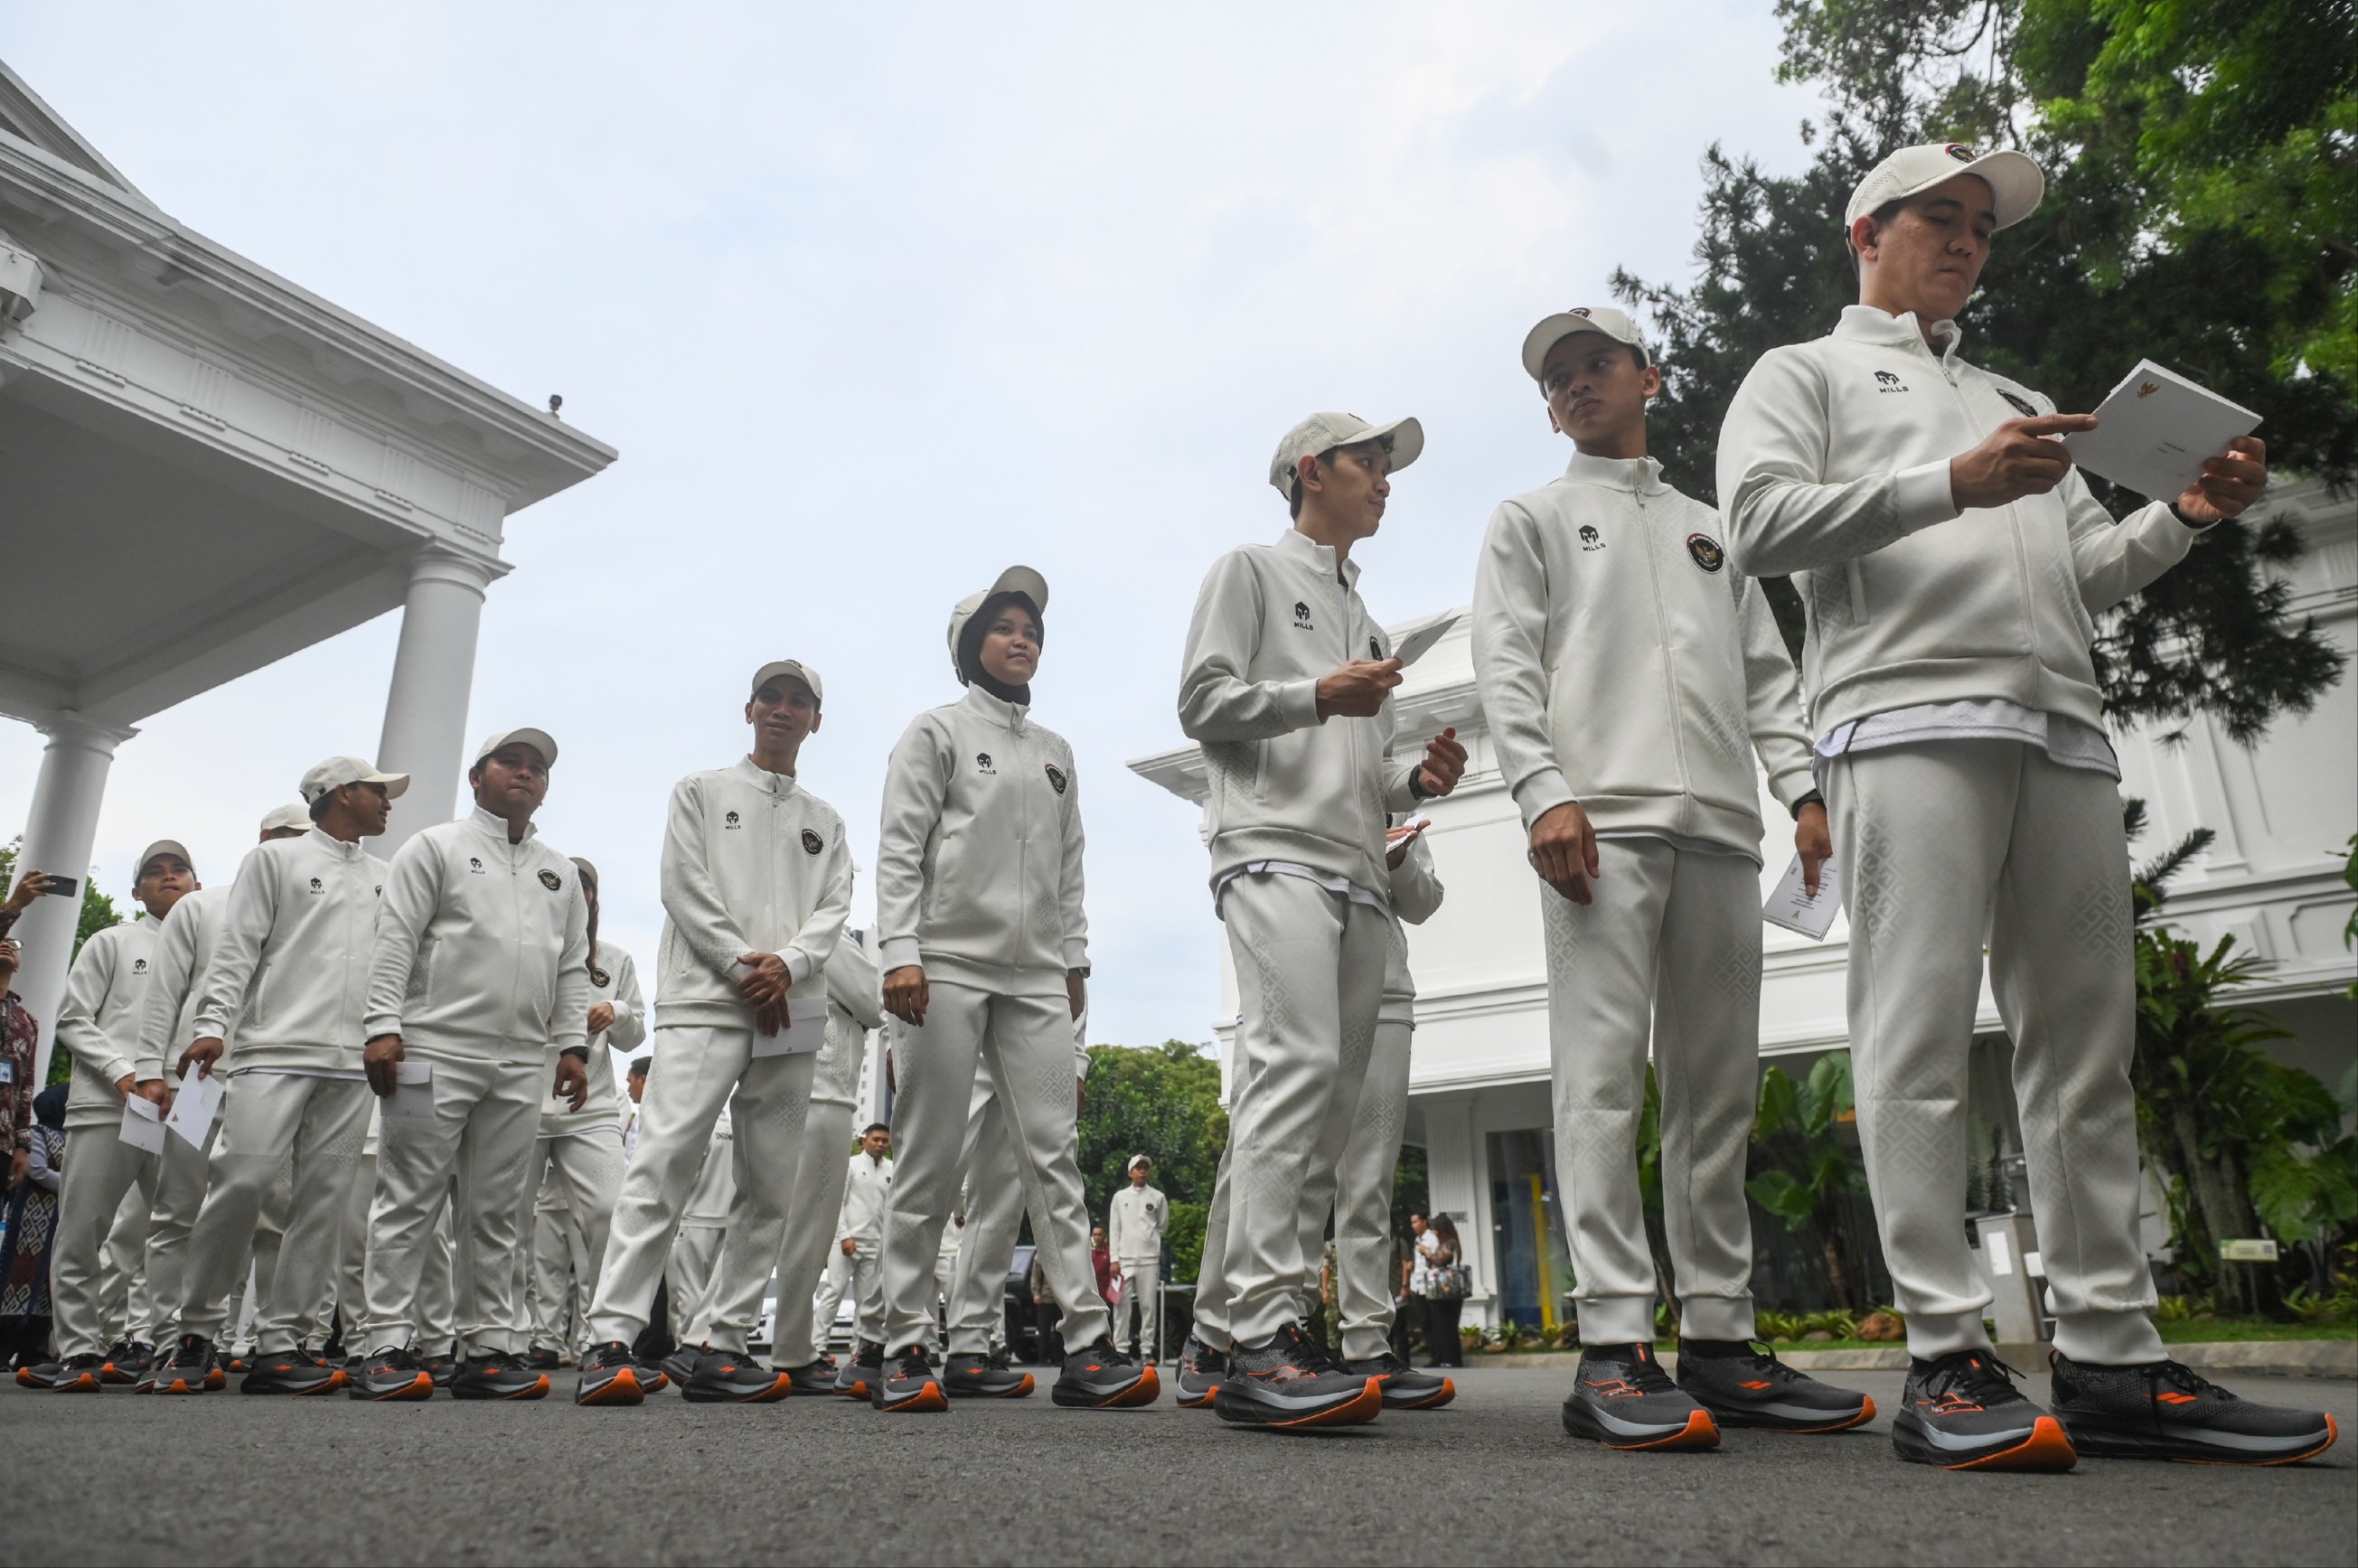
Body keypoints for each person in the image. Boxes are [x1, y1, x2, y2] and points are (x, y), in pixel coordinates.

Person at [1716, 142, 2335, 1469]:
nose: (1965, 241)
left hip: (2059, 723)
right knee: (1917, 1035)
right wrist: (1951, 480)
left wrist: (2183, 513)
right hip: (1902, 717)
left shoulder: (2017, 398)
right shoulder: (1801, 371)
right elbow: (1757, 525)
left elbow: (2085, 568)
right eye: (1939, 216)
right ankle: (1944, 1355)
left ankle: (2110, 1356)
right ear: (1864, 231)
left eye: (1982, 228)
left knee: (2084, 1048)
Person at [1471, 303, 1870, 1451]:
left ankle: (1719, 1339)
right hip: (1597, 828)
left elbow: (1765, 678)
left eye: (1595, 362)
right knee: (1600, 1080)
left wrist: (1801, 793)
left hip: (1721, 832)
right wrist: (1540, 791)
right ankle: (1610, 1342)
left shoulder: (1712, 530)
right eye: (1556, 376)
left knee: (1717, 1091)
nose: (1574, 383)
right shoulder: (1530, 518)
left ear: (1648, 377)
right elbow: (1505, 666)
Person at [1173, 412, 1468, 1429]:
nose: (1384, 481)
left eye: (1388, 468)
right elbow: (1200, 701)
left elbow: (1369, 772)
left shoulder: (1370, 625)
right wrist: (1313, 693)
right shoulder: (1248, 571)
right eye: (1368, 463)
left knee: (1329, 1109)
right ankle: (1256, 1331)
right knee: (1293, 1066)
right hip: (1269, 849)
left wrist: (1415, 778)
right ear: (1311, 471)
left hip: (1354, 871)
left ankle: (1262, 1329)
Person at [870, 567, 1151, 1413]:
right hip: (945, 963)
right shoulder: (936, 731)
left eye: (1031, 628)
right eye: (1004, 626)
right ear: (969, 645)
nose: (1022, 638)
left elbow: (1070, 868)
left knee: (1051, 1156)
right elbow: (900, 846)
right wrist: (899, 952)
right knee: (929, 1155)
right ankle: (902, 1345)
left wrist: (1074, 962)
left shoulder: (1055, 751)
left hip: (1035, 975)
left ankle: (1088, 1345)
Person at [575, 661, 851, 1405]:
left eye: (798, 701)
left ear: (816, 719)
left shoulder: (826, 820)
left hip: (789, 1010)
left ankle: (721, 1342)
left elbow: (833, 908)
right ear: (749, 709)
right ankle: (610, 1337)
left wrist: (789, 966)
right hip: (706, 1001)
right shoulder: (699, 790)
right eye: (771, 698)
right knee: (663, 1162)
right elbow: (682, 885)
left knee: (770, 1184)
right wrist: (742, 965)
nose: (783, 709)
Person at [343, 729, 589, 1403]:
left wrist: (572, 1045)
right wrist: (383, 1026)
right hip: (432, 1049)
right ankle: (385, 1344)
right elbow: (395, 939)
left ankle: (487, 1348)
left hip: (520, 1059)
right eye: (510, 762)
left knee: (498, 1209)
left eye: (537, 767)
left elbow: (572, 963)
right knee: (408, 1196)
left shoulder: (559, 871)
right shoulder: (436, 847)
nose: (525, 773)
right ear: (477, 777)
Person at [155, 757, 404, 1395]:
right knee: (240, 1182)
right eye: (378, 791)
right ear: (342, 793)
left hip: (351, 1062)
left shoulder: (387, 876)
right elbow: (237, 947)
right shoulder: (273, 860)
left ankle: (281, 1343)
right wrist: (211, 1023)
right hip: (271, 1049)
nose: (388, 802)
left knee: (322, 1201)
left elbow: (399, 965)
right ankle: (196, 1332)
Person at [133, 804, 311, 1387]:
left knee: (276, 1216)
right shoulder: (201, 906)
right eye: (289, 838)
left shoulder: (322, 907)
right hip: (198, 1082)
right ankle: (169, 1340)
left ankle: (268, 1343)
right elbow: (164, 993)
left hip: (277, 1080)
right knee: (178, 1208)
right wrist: (150, 1069)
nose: (300, 851)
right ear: (264, 840)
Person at [1286, 819, 1453, 1410]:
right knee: (1303, 1170)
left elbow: (1424, 902)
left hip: (1385, 994)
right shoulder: (1305, 781)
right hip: (1308, 989)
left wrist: (1397, 861)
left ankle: (1366, 1342)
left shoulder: (1394, 802)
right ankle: (1286, 1331)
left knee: (1370, 1179)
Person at [30, 841, 195, 1392]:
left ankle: (167, 1345)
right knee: (86, 1225)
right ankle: (79, 1347)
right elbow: (73, 1019)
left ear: (197, 885)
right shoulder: (112, 941)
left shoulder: (221, 951)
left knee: (180, 1226)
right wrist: (124, 1075)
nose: (168, 877)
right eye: (155, 872)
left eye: (179, 869)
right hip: (112, 1101)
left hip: (189, 1104)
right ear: (136, 891)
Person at [509, 858, 643, 1374]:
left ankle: (605, 1337)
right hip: (521, 1100)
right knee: (506, 1222)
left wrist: (618, 1011)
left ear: (593, 898)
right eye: (566, 884)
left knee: (611, 1212)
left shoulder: (615, 960)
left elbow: (634, 1036)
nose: (576, 894)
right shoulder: (521, 948)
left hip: (592, 1106)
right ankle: (506, 1337)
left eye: (584, 886)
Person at [766, 932, 883, 1394]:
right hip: (825, 1093)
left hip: (784, 1083)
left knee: (764, 1220)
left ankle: (705, 1338)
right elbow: (875, 1002)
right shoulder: (829, 936)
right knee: (808, 1232)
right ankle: (792, 1352)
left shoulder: (781, 927)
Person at [2, 982, 62, 1375]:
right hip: (33, 1219)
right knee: (17, 1276)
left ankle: (33, 1347)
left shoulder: (26, 1021)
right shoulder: (43, 1135)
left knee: (43, 1282)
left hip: (53, 1222)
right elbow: (40, 1171)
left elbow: (23, 1086)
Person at [824, 1122, 894, 1396]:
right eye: (876, 1139)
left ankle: (860, 1352)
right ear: (863, 1141)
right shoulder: (851, 1165)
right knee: (833, 1293)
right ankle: (819, 1347)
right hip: (846, 1241)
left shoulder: (891, 1169)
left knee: (866, 1304)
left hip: (875, 1244)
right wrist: (844, 1235)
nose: (880, 1144)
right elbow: (838, 1203)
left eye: (884, 1141)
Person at [1106, 1155, 1165, 1361]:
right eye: (1138, 1168)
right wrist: (1114, 1259)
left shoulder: (1158, 1197)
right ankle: (1121, 1348)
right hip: (1124, 1261)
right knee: (1121, 1305)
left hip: (1149, 1260)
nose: (1142, 1171)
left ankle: (1146, 1349)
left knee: (1148, 1306)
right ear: (1130, 1172)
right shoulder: (1119, 1197)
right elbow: (1114, 1229)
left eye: (1145, 1168)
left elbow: (1162, 1226)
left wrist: (1150, 1241)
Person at [1412, 1215, 1466, 1367]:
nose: (1434, 1232)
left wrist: (1427, 1252)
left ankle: (1451, 1359)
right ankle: (1444, 1358)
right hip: (1442, 1291)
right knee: (1440, 1325)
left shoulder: (1450, 1243)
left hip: (1447, 1291)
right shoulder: (1444, 1242)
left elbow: (1440, 1260)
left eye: (1436, 1229)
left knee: (1448, 1326)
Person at [622, 1057, 650, 1162]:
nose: (628, 1089)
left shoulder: (651, 1119)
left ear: (642, 1080)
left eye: (629, 1082)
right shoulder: (639, 1118)